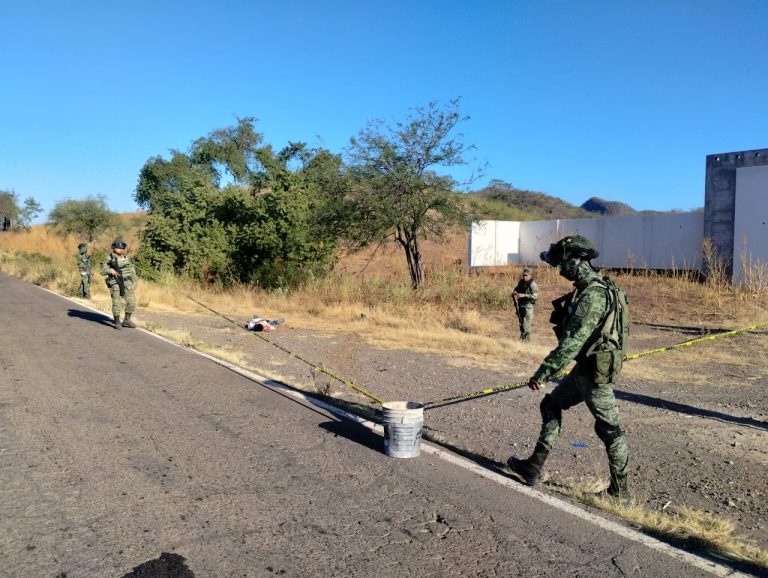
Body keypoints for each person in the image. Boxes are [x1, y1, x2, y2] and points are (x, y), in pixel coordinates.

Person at [506, 235, 631, 501]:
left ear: (578, 260)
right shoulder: (601, 286)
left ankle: (620, 494)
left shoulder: (593, 295)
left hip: (595, 374)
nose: (561, 269)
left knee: (609, 429)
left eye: (563, 263)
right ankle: (533, 466)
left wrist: (544, 372)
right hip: (586, 368)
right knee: (551, 405)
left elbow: (572, 343)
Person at [101, 239, 138, 330]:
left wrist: (135, 281)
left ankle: (126, 320)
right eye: (118, 248)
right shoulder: (109, 258)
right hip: (115, 281)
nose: (121, 249)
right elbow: (102, 271)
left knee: (132, 302)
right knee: (116, 302)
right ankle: (117, 321)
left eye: (122, 248)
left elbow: (131, 269)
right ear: (114, 248)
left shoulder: (126, 258)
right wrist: (111, 271)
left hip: (127, 282)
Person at [513, 267, 538, 341]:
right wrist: (515, 291)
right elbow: (517, 288)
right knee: (521, 322)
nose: (524, 277)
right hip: (520, 304)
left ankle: (527, 340)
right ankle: (522, 338)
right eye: (523, 275)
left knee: (526, 323)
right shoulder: (521, 282)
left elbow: (535, 296)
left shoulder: (533, 284)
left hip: (528, 306)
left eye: (526, 275)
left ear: (530, 276)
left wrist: (524, 295)